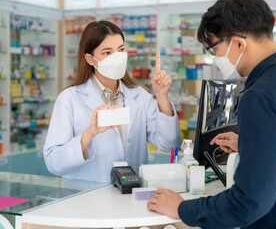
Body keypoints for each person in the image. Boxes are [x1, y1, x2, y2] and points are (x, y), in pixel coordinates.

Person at [147, 0, 276, 229]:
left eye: (215, 50)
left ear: (238, 43)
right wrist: (251, 144)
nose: (216, 60)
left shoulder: (261, 95)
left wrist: (182, 208)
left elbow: (248, 203)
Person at [44, 20, 181, 182]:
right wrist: (90, 133)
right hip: (86, 199)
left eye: (121, 50)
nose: (117, 57)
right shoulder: (69, 99)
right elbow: (54, 163)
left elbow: (170, 144)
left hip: (131, 196)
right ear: (90, 59)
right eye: (107, 53)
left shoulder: (139, 95)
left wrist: (161, 95)